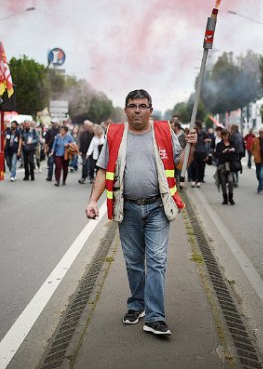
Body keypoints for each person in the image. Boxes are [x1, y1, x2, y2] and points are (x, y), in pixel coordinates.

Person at [84, 89, 196, 337]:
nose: (137, 110)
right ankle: (137, 304)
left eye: (142, 106)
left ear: (150, 110)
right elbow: (103, 170)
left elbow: (181, 164)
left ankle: (155, 317)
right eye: (133, 105)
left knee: (156, 261)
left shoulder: (165, 131)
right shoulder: (115, 134)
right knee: (134, 262)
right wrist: (93, 200)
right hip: (128, 207)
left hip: (158, 206)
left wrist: (191, 146)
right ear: (126, 110)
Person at [214, 128, 239, 205]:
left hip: (230, 165)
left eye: (227, 135)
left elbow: (237, 152)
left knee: (231, 181)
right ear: (222, 136)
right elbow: (216, 155)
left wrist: (233, 150)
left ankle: (231, 198)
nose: (226, 137)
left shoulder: (232, 143)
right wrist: (223, 152)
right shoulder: (219, 145)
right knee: (223, 183)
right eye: (224, 136)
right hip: (222, 166)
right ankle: (225, 199)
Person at [191, 120, 210, 188]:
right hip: (194, 152)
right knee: (194, 167)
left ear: (198, 126)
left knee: (201, 167)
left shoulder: (203, 133)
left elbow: (209, 140)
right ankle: (193, 180)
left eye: (195, 125)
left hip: (202, 152)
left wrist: (206, 140)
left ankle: (199, 181)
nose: (193, 126)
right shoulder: (192, 133)